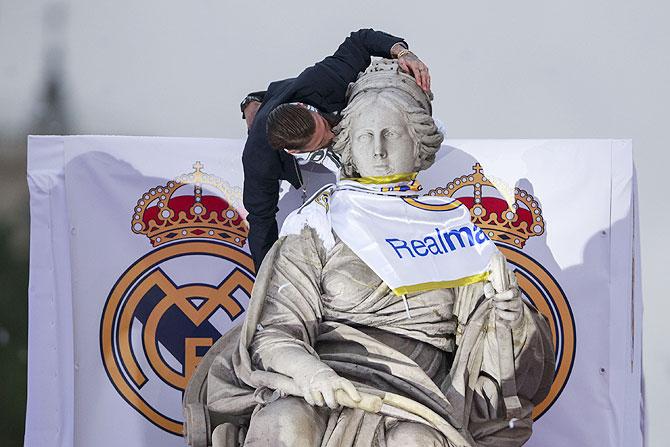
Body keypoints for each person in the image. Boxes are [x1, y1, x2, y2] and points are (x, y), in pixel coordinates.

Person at [187, 61, 554, 447]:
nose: (378, 150)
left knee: (414, 442)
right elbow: (275, 330)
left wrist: (511, 321)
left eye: (391, 134)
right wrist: (312, 374)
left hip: (416, 397)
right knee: (285, 421)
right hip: (319, 380)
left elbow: (495, 353)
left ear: (419, 144)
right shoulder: (318, 221)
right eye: (364, 136)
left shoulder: (454, 230)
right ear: (348, 145)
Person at [241, 28, 431, 270]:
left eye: (326, 125)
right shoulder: (260, 158)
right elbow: (260, 221)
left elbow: (360, 40)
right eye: (324, 140)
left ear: (308, 109)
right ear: (295, 152)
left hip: (291, 92)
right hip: (271, 127)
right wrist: (266, 282)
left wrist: (404, 52)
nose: (334, 134)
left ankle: (259, 100)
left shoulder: (323, 81)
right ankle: (255, 102)